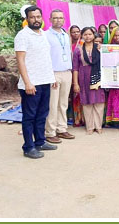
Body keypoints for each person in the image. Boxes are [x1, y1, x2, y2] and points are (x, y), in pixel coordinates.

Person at [14, 6, 57, 158]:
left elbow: (46, 58)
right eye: (32, 17)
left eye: (38, 16)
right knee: (29, 116)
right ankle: (28, 147)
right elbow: (20, 61)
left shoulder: (43, 35)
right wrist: (27, 83)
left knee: (42, 115)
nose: (36, 20)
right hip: (31, 84)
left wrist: (51, 78)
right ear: (27, 19)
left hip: (45, 81)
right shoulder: (22, 36)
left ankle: (40, 141)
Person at [44, 10, 75, 144]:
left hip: (66, 72)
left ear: (64, 20)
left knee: (63, 103)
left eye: (60, 18)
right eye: (55, 18)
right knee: (52, 104)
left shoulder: (65, 35)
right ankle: (50, 132)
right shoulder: (45, 35)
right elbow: (44, 57)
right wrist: (50, 75)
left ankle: (62, 129)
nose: (58, 20)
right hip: (53, 73)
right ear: (50, 19)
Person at [72, 27, 106, 135]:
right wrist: (75, 83)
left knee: (99, 101)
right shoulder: (78, 50)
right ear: (82, 36)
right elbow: (75, 68)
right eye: (85, 34)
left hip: (98, 78)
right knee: (86, 102)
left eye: (90, 34)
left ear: (93, 35)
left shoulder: (100, 48)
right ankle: (90, 126)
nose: (88, 36)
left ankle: (98, 126)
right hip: (84, 78)